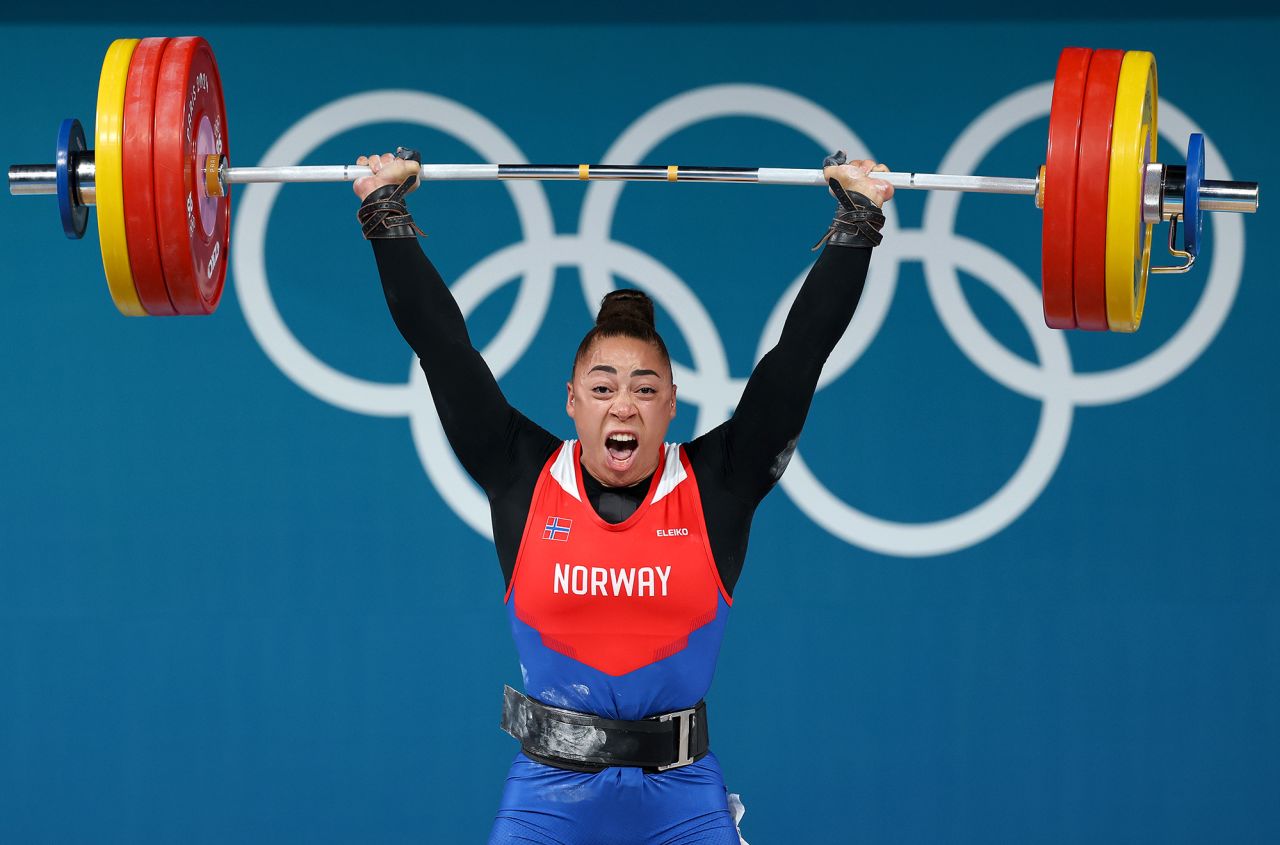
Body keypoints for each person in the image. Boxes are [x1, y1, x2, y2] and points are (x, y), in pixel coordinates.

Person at [354, 149, 892, 845]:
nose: (623, 407)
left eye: (644, 390)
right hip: (547, 799)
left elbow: (800, 354)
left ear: (672, 405)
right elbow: (442, 345)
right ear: (572, 402)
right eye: (603, 388)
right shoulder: (520, 473)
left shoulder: (718, 482)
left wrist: (859, 218)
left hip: (683, 801)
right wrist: (383, 213)